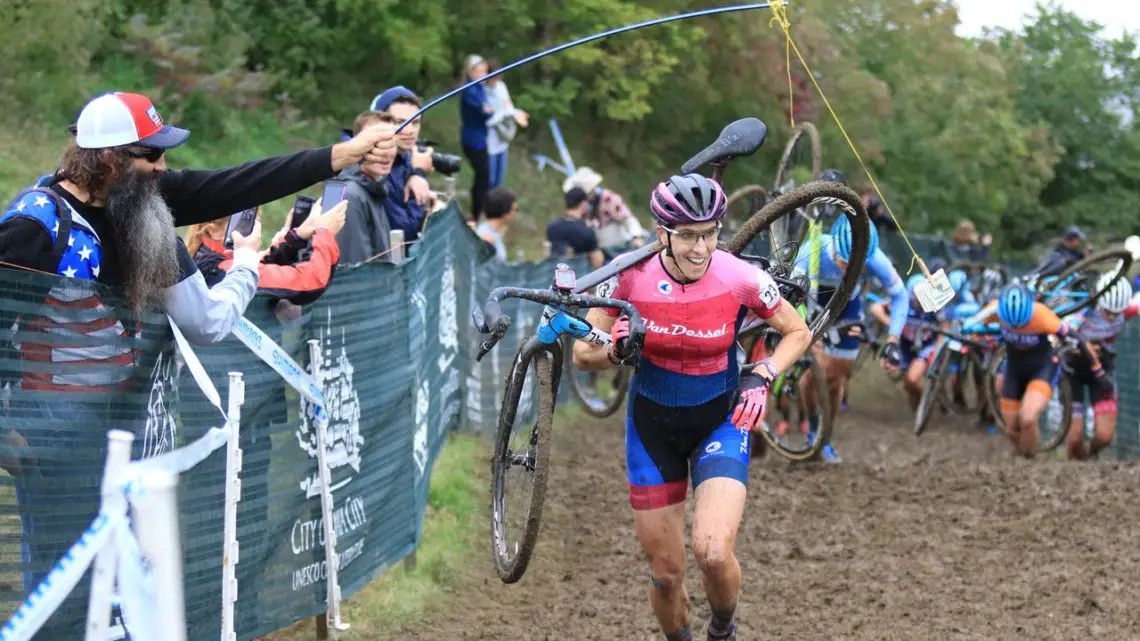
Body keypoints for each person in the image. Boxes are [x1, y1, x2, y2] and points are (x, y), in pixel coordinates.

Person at [572, 173, 812, 641]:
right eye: (687, 236)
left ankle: (723, 629)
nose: (700, 248)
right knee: (666, 573)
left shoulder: (741, 277)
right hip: (652, 429)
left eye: (710, 233)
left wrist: (763, 374)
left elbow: (797, 331)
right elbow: (583, 356)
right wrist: (617, 351)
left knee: (714, 552)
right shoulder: (627, 273)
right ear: (661, 233)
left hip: (719, 420)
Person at [793, 215, 908, 462]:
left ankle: (824, 435)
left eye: (858, 266)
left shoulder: (875, 257)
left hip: (847, 305)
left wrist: (893, 340)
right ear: (834, 247)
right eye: (845, 262)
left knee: (836, 377)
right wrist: (804, 330)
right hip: (811, 301)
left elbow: (900, 296)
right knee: (813, 375)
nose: (850, 269)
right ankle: (812, 428)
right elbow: (791, 298)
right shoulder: (814, 249)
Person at [962, 283, 1075, 457]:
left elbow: (1071, 336)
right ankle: (1020, 457)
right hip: (1014, 369)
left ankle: (1031, 461)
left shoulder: (1041, 314)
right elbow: (974, 324)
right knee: (1012, 428)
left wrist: (1094, 367)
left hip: (1042, 367)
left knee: (1028, 419)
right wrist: (973, 333)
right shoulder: (995, 309)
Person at [186, 200, 346, 306]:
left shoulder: (203, 256)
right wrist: (325, 233)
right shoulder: (225, 270)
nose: (257, 233)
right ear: (213, 232)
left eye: (257, 224)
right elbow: (308, 282)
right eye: (247, 225)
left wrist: (295, 237)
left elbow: (261, 266)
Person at [1062, 275, 1139, 460]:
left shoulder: (1130, 308)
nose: (1112, 317)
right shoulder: (1082, 311)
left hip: (1103, 369)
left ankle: (1091, 456)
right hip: (1073, 370)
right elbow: (1060, 335)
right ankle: (1071, 471)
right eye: (1107, 311)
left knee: (1105, 437)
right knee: (1075, 437)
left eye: (1117, 312)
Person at [371, 86, 436, 240]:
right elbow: (403, 233)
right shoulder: (375, 163)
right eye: (401, 122)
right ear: (380, 122)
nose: (410, 130)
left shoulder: (405, 156)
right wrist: (418, 173)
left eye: (415, 122)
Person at [336, 111, 401, 263]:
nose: (386, 153)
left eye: (391, 144)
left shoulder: (373, 188)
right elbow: (354, 273)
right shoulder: (347, 195)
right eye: (377, 144)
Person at [562, 166, 645, 254]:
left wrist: (636, 237)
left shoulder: (609, 199)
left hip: (619, 247)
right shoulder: (581, 207)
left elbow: (628, 219)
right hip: (597, 252)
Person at [484, 60, 529, 187]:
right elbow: (489, 120)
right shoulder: (482, 91)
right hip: (489, 142)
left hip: (502, 140)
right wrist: (505, 114)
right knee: (489, 181)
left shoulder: (501, 87)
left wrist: (518, 113)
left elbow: (508, 107)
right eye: (494, 78)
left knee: (499, 180)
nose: (496, 81)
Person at [459, 55, 494, 219]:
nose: (483, 75)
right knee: (483, 176)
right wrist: (488, 110)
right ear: (470, 72)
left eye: (485, 71)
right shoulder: (470, 90)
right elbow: (485, 111)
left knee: (483, 177)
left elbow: (489, 109)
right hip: (474, 141)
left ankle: (479, 211)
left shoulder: (480, 89)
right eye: (479, 71)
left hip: (480, 137)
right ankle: (477, 213)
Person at [548, 187, 604, 269]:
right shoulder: (586, 231)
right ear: (583, 204)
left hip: (556, 274)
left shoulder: (552, 226)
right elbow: (598, 261)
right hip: (580, 276)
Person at [476, 187, 517, 262]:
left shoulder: (492, 232)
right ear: (505, 212)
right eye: (514, 210)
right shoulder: (486, 237)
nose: (515, 214)